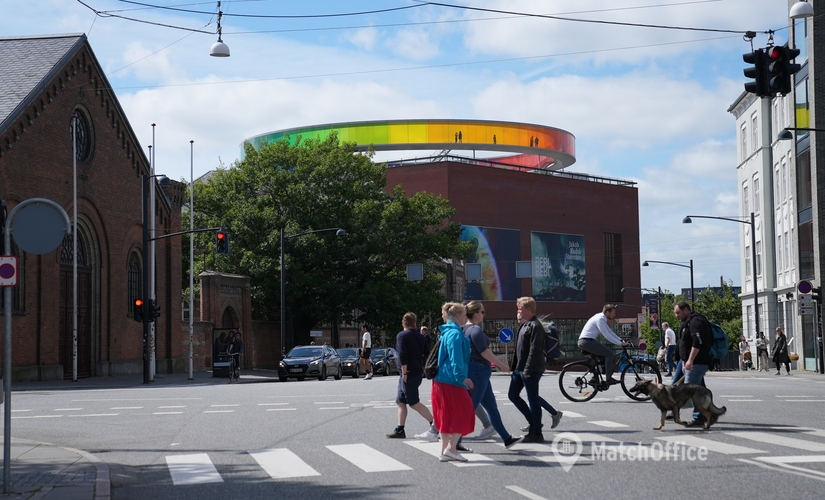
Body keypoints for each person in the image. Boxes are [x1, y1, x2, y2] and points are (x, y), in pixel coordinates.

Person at [461, 301, 523, 449]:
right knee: (471, 407)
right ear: (475, 314)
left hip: (477, 370)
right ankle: (454, 443)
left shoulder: (465, 329)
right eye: (482, 312)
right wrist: (501, 365)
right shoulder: (475, 330)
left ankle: (507, 438)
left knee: (491, 407)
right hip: (478, 370)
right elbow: (484, 351)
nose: (484, 314)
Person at [508, 297, 561, 444]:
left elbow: (535, 350)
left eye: (520, 308)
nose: (518, 311)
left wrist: (527, 369)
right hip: (520, 369)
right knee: (512, 395)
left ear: (529, 309)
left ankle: (537, 432)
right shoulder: (525, 325)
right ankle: (533, 424)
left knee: (533, 400)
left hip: (530, 369)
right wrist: (515, 368)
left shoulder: (535, 326)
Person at [432, 302, 475, 462]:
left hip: (440, 380)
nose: (466, 317)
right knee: (466, 412)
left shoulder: (446, 333)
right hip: (452, 380)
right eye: (464, 315)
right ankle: (451, 448)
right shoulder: (456, 334)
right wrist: (462, 378)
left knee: (445, 415)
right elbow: (455, 358)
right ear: (457, 316)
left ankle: (444, 451)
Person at [387, 312, 440, 440]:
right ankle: (400, 429)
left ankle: (436, 424)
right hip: (415, 372)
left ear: (403, 323)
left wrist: (404, 372)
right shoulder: (421, 337)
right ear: (415, 323)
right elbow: (428, 354)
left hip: (407, 373)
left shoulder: (402, 336)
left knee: (413, 402)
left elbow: (403, 354)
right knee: (400, 401)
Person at [673, 301, 714, 426]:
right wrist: (685, 360)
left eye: (678, 313)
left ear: (686, 310)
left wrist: (690, 360)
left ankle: (698, 418)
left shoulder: (696, 322)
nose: (676, 316)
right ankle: (705, 414)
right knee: (698, 390)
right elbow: (685, 342)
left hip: (698, 361)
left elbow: (697, 342)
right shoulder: (687, 322)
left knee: (692, 391)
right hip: (689, 361)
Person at [577, 304, 629, 385]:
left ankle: (594, 378)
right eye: (613, 313)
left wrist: (621, 340)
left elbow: (609, 331)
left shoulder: (601, 318)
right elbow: (606, 335)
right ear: (608, 312)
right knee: (609, 354)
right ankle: (608, 379)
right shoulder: (600, 319)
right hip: (586, 342)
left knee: (604, 359)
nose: (614, 315)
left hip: (586, 341)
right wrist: (620, 344)